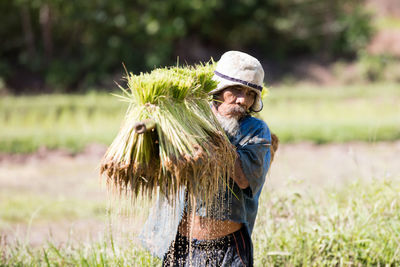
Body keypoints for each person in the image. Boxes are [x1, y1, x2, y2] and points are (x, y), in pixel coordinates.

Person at [139, 51, 278, 267]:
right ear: (219, 89)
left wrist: (211, 138)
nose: (243, 100)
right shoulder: (187, 119)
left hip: (227, 249)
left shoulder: (256, 131)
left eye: (251, 94)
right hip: (180, 246)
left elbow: (243, 179)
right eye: (237, 90)